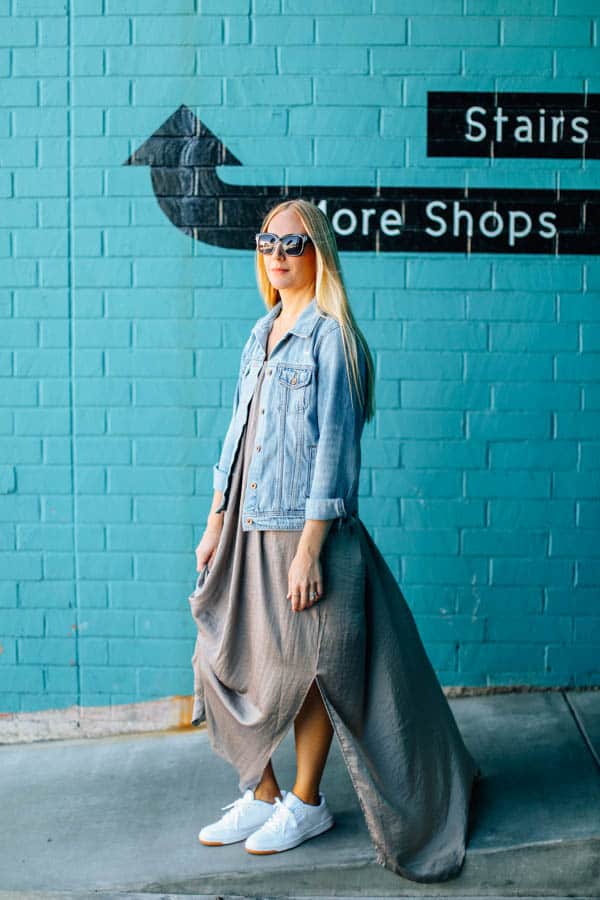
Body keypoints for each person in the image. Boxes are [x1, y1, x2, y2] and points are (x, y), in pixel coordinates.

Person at [188, 198, 481, 883]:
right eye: (267, 243)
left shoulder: (333, 338)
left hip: (301, 529)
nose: (278, 255)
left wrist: (311, 548)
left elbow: (334, 453)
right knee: (227, 661)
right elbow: (239, 432)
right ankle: (261, 795)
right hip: (244, 525)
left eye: (292, 244)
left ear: (318, 251)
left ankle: (306, 800)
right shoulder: (260, 334)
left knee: (306, 672)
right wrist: (213, 519)